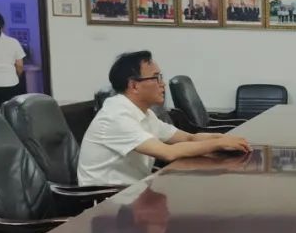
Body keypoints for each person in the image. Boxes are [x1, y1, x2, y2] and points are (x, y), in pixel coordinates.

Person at [78, 50, 250, 186]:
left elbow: (189, 138)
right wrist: (217, 144)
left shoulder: (145, 113)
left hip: (133, 191)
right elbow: (168, 152)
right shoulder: (116, 117)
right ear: (134, 85)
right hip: (105, 200)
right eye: (156, 78)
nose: (163, 83)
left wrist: (224, 139)